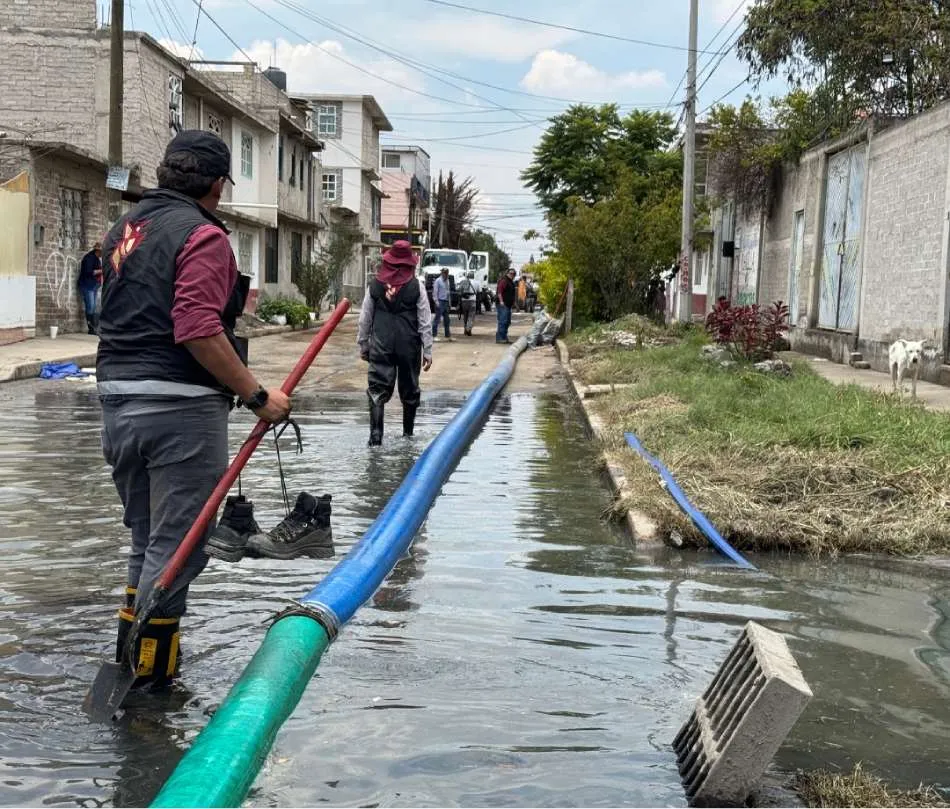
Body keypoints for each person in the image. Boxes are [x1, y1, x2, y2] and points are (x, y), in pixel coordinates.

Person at [97, 130, 291, 691]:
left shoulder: (124, 230)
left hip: (117, 402)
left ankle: (128, 665)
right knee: (178, 549)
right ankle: (152, 685)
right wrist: (258, 397)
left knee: (147, 540)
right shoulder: (202, 235)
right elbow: (199, 327)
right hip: (179, 407)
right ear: (217, 185)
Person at [358, 240, 433, 446]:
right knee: (409, 390)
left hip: (381, 345)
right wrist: (427, 350)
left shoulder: (375, 286)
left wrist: (363, 344)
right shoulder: (417, 287)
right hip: (409, 347)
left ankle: (376, 438)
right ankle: (408, 436)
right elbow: (425, 321)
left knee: (377, 390)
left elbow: (365, 318)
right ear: (410, 264)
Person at [78, 242, 103, 334]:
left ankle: (93, 328)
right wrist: (101, 271)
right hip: (87, 285)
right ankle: (91, 329)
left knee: (93, 307)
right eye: (102, 252)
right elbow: (89, 272)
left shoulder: (96, 258)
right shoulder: (88, 258)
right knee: (91, 306)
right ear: (98, 251)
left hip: (93, 285)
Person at [496, 268, 516, 344]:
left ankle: (504, 337)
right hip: (503, 305)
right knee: (503, 321)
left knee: (507, 322)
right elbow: (499, 292)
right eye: (511, 273)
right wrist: (501, 301)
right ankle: (500, 338)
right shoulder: (504, 281)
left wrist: (514, 303)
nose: (512, 275)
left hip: (508, 305)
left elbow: (512, 294)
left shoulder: (511, 282)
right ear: (507, 273)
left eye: (514, 274)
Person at [432, 266, 452, 341]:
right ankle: (434, 335)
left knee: (447, 320)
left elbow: (448, 292)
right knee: (437, 319)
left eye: (446, 273)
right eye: (444, 273)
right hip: (440, 301)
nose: (445, 274)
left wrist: (449, 303)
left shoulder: (447, 281)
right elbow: (435, 292)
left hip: (446, 301)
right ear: (442, 273)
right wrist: (436, 302)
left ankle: (447, 335)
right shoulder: (438, 281)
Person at [457, 270, 478, 336]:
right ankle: (468, 329)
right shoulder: (477, 282)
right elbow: (479, 292)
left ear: (467, 276)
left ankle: (465, 330)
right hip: (472, 300)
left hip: (464, 301)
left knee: (465, 316)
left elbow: (459, 291)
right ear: (473, 276)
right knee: (471, 316)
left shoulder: (463, 281)